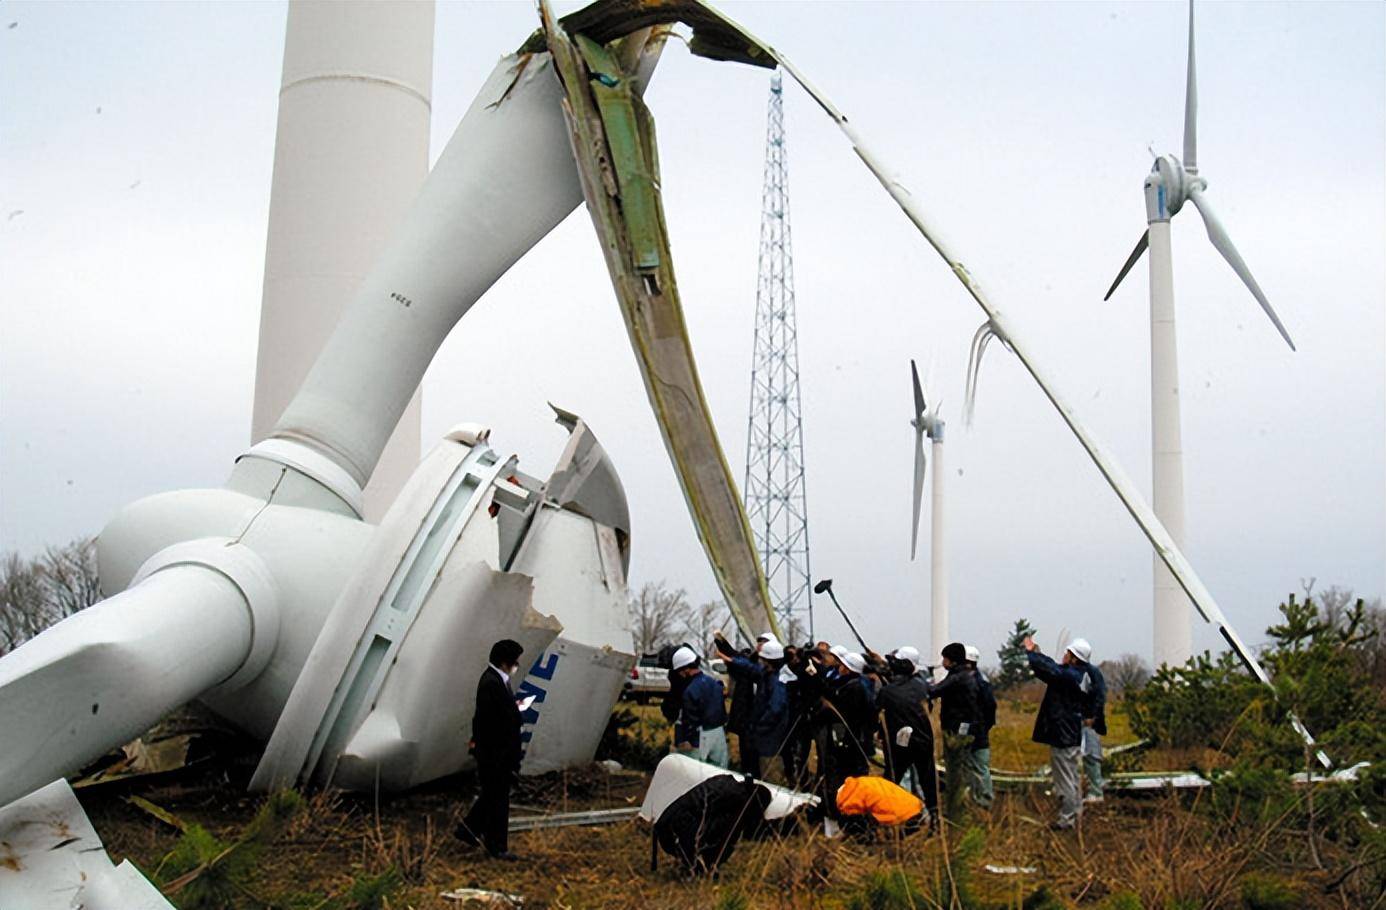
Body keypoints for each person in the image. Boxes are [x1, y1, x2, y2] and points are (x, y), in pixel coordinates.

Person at [456, 639, 526, 860]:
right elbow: (487, 722)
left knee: (493, 796)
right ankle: (496, 846)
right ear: (506, 662)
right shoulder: (491, 683)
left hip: (496, 752)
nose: (516, 665)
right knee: (498, 800)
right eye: (515, 661)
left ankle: (468, 831)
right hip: (495, 753)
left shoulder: (496, 680)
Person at [1023, 634, 1096, 830]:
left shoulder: (1070, 677)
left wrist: (1031, 652)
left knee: (1065, 780)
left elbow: (1050, 670)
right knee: (1071, 778)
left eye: (1068, 653)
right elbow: (1052, 670)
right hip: (1071, 733)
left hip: (1063, 735)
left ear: (1074, 658)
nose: (1064, 655)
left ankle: (1067, 820)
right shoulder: (1080, 675)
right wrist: (1037, 653)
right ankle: (1075, 815)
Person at [877, 652, 939, 825]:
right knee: (928, 781)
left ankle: (889, 817)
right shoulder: (922, 687)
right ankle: (934, 817)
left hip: (898, 744)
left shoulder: (886, 691)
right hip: (923, 741)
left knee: (891, 781)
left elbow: (877, 712)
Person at [714, 635, 789, 778]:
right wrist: (731, 660)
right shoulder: (767, 675)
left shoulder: (776, 682)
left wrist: (758, 727)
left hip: (769, 740)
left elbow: (775, 709)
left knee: (769, 777)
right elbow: (750, 667)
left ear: (768, 661)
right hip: (762, 739)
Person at [925, 642, 982, 804]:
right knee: (959, 765)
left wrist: (924, 680)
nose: (942, 662)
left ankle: (957, 801)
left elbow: (934, 691)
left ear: (952, 660)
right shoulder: (963, 675)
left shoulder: (958, 678)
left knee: (956, 765)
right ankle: (959, 797)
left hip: (957, 729)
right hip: (962, 727)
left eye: (944, 658)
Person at [670, 646, 730, 768]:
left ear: (685, 669)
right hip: (719, 733)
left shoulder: (690, 691)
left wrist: (687, 740)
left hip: (701, 736)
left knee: (696, 775)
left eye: (680, 672)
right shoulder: (714, 683)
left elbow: (690, 719)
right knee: (720, 773)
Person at [964, 644, 996, 808]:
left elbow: (990, 707)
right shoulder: (980, 680)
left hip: (976, 731)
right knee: (972, 766)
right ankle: (975, 798)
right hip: (976, 730)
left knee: (979, 767)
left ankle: (984, 801)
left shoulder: (978, 683)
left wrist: (983, 726)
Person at [1077, 640, 1107, 803]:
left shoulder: (1091, 673)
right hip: (1077, 721)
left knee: (1091, 755)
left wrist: (1092, 716)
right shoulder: (1078, 672)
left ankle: (1096, 791)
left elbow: (1099, 695)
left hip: (1088, 722)